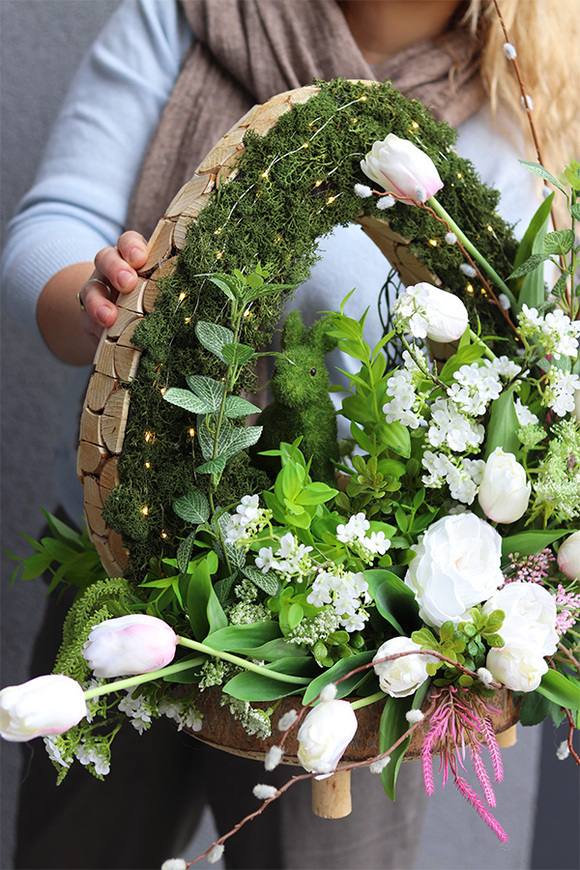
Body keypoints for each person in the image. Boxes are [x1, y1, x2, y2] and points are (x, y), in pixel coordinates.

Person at [2, 2, 578, 868]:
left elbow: (534, 363)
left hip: (367, 649)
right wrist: (101, 298)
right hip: (129, 564)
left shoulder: (533, 92)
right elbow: (52, 222)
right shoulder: (194, 16)